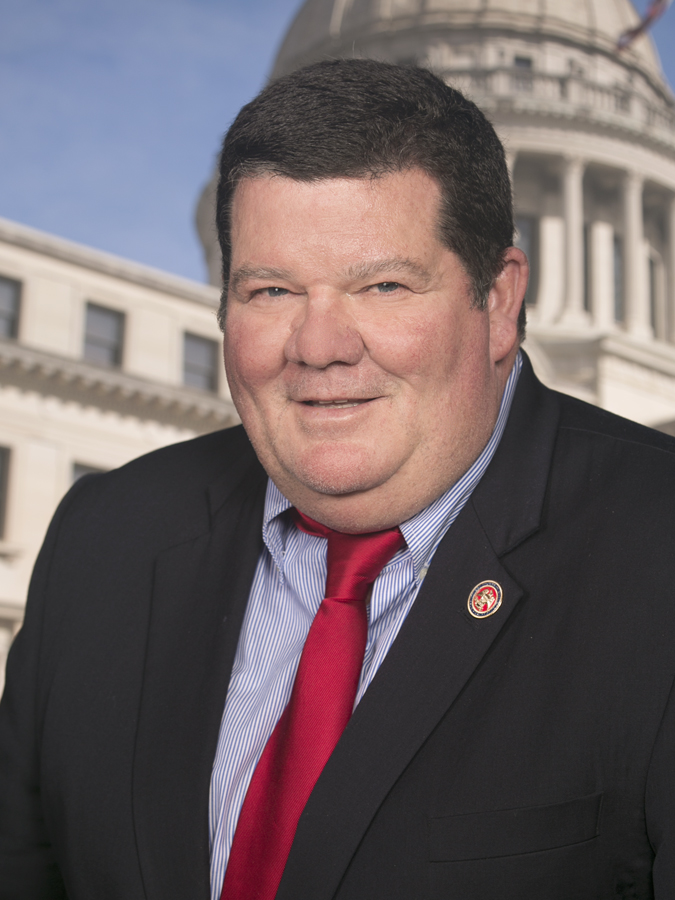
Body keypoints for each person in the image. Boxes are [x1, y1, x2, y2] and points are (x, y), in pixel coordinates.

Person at [1, 58, 675, 900]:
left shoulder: (657, 548)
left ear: (497, 301)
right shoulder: (104, 538)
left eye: (383, 285)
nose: (319, 346)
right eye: (272, 288)